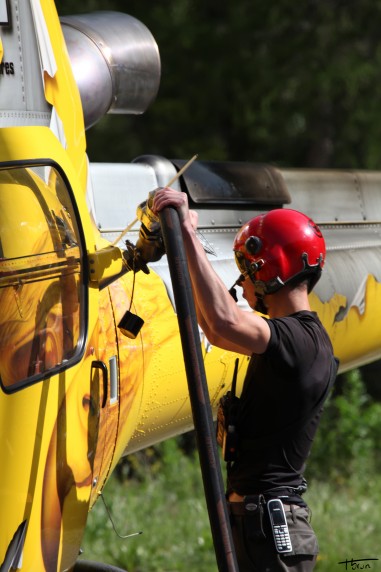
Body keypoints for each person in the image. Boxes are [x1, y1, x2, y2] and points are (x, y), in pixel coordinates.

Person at [152, 187, 338, 572]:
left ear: (265, 271)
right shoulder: (296, 341)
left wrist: (187, 233)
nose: (241, 284)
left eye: (246, 271)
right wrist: (183, 243)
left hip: (270, 528)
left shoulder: (299, 341)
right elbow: (214, 325)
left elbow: (224, 321)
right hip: (260, 524)